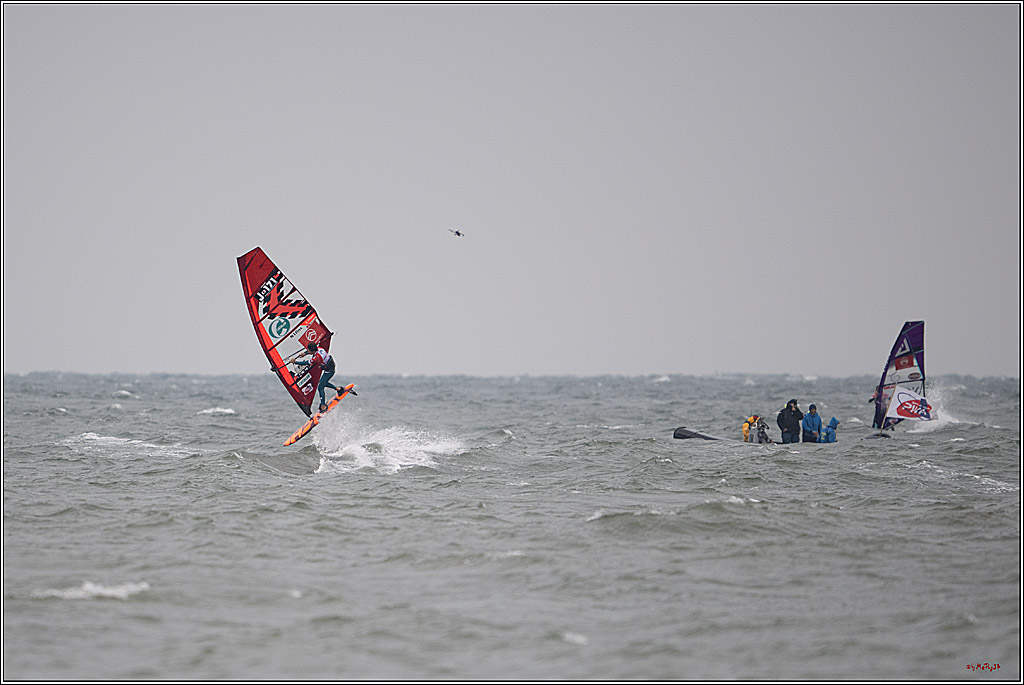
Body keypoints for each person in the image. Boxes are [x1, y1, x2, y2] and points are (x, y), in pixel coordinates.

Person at [294, 342, 344, 413]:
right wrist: (305, 353)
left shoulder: (317, 358)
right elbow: (312, 352)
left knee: (320, 387)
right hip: (330, 367)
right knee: (323, 383)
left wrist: (295, 362)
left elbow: (307, 362)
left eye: (308, 350)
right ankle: (338, 389)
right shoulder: (320, 349)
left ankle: (323, 405)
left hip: (329, 371)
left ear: (313, 351)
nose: (307, 351)